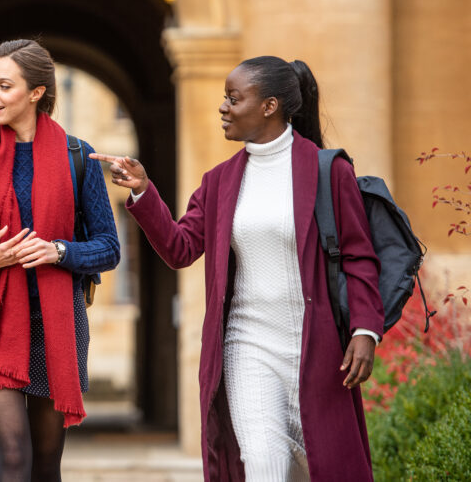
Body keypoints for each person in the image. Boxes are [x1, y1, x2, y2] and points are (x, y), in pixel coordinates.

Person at [91, 56, 383, 481]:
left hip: (318, 351)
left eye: (233, 98)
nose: (223, 108)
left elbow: (359, 256)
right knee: (264, 468)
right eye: (223, 98)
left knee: (326, 469)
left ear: (269, 106)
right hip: (246, 348)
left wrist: (365, 329)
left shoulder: (328, 171)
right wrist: (143, 191)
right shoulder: (220, 181)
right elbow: (180, 248)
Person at [0, 39, 120, 482]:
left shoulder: (79, 157)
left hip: (58, 325)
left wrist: (60, 251)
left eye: (4, 85)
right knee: (14, 457)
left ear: (36, 92)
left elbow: (109, 247)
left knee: (47, 464)